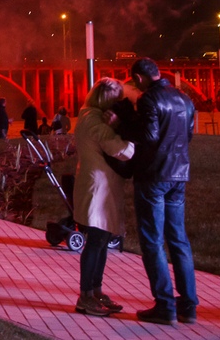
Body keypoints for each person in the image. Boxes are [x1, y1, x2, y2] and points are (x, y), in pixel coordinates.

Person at [129, 57, 198, 326]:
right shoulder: (184, 99)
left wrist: (128, 124)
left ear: (138, 78)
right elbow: (188, 135)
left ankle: (165, 305)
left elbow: (149, 138)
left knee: (153, 241)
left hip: (154, 177)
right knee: (179, 240)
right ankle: (189, 305)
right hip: (179, 176)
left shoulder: (148, 100)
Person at [72, 78, 135, 318]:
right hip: (98, 188)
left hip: (98, 186)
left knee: (100, 241)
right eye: (117, 100)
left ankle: (95, 291)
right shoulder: (95, 121)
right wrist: (125, 131)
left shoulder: (87, 116)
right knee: (96, 242)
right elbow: (122, 150)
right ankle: (86, 294)